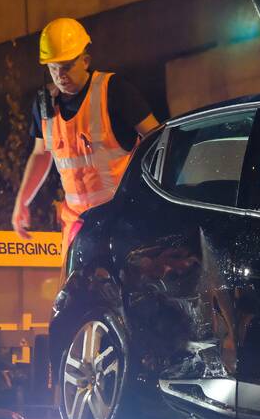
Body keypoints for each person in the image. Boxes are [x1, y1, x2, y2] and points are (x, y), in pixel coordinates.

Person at [11, 17, 159, 254]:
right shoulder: (44, 104)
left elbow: (157, 139)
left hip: (122, 221)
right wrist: (22, 201)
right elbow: (41, 155)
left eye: (67, 66)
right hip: (78, 227)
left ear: (85, 60)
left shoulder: (114, 90)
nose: (60, 75)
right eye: (53, 67)